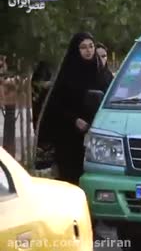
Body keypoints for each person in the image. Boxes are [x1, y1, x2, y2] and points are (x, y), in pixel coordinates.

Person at [40, 32, 113, 185]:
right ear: (76, 50)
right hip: (69, 136)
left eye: (91, 46)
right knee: (71, 176)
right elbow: (56, 105)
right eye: (83, 47)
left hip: (97, 133)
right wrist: (74, 119)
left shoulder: (102, 74)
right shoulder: (67, 75)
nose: (88, 50)